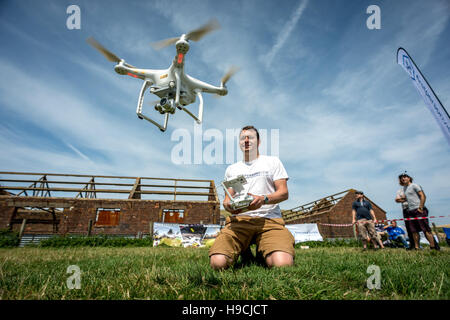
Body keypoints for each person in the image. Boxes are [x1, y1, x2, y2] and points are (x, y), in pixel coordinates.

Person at [209, 125, 295, 270]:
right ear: (239, 143)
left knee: (282, 264)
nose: (247, 141)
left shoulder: (273, 162)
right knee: (218, 263)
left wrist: (263, 199)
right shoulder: (232, 169)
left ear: (259, 142)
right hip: (241, 221)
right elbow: (227, 201)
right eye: (243, 138)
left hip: (269, 220)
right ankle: (244, 249)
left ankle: (263, 251)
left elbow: (283, 193)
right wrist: (230, 207)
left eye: (251, 137)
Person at [395, 173, 439, 250]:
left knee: (425, 229)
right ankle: (416, 247)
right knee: (414, 231)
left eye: (405, 177)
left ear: (409, 178)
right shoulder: (405, 189)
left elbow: (423, 196)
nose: (403, 179)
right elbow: (406, 199)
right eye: (401, 178)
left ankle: (433, 247)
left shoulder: (414, 185)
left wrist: (421, 207)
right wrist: (400, 199)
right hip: (410, 211)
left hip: (418, 209)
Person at [395, 178, 415, 249]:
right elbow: (397, 199)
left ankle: (433, 245)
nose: (403, 180)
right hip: (406, 209)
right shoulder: (400, 191)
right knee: (409, 228)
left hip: (415, 208)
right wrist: (407, 198)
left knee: (421, 228)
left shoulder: (414, 187)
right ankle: (413, 246)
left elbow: (418, 197)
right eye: (401, 180)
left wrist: (404, 198)